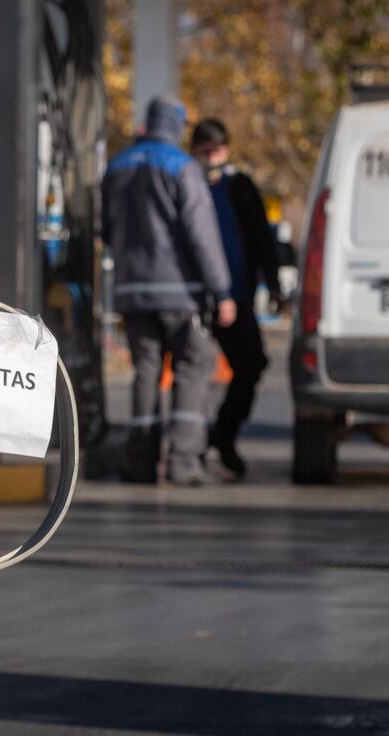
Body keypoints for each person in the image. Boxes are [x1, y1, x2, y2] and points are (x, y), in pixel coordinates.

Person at [102, 95, 236, 486]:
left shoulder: (117, 166)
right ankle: (182, 461)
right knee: (193, 368)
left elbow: (107, 231)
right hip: (182, 293)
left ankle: (140, 462)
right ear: (177, 126)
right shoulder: (183, 167)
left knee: (145, 370)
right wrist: (222, 290)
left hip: (133, 291)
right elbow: (202, 235)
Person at [189, 118, 283, 480]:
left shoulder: (240, 187)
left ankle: (223, 435)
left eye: (219, 149)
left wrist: (273, 284)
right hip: (195, 298)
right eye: (206, 150)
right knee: (192, 373)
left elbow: (261, 236)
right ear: (194, 150)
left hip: (236, 296)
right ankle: (187, 446)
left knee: (252, 364)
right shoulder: (186, 184)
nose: (213, 156)